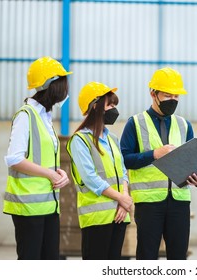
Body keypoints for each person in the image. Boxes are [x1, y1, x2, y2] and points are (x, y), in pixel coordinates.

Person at [120, 67, 197, 260]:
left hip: (179, 202)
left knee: (178, 257)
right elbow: (124, 160)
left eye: (176, 96)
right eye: (168, 95)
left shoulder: (185, 125)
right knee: (147, 256)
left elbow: (193, 162)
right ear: (153, 93)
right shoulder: (135, 123)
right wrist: (154, 154)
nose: (173, 100)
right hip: (149, 203)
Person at [3, 56, 72, 259]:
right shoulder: (26, 115)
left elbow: (43, 159)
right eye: (63, 86)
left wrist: (60, 174)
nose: (65, 92)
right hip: (28, 207)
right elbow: (14, 158)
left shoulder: (45, 118)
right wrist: (50, 175)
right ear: (50, 86)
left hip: (49, 204)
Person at [66, 81, 133, 260]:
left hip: (119, 215)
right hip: (97, 218)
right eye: (110, 104)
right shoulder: (80, 140)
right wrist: (122, 198)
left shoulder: (113, 139)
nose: (114, 109)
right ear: (95, 106)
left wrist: (124, 200)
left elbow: (123, 172)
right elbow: (90, 178)